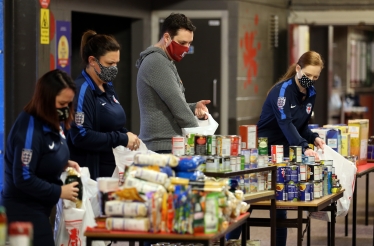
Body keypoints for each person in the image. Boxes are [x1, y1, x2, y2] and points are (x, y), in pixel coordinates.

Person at [0, 69, 81, 246]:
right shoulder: (29, 130)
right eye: (61, 104)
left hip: (41, 209)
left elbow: (45, 153)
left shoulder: (51, 121)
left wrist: (62, 162)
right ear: (45, 101)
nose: (66, 110)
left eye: (69, 104)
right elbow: (23, 177)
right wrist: (59, 192)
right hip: (22, 213)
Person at [257, 50, 326, 245]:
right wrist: (304, 146)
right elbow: (286, 123)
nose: (310, 80)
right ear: (298, 69)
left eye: (315, 77)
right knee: (248, 204)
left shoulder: (311, 93)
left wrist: (314, 137)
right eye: (307, 75)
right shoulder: (282, 91)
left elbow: (301, 125)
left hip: (288, 147)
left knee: (282, 203)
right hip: (266, 149)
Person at [67, 30, 140, 180]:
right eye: (109, 63)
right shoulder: (82, 90)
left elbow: (112, 125)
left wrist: (127, 135)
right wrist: (121, 138)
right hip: (92, 175)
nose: (114, 68)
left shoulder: (108, 86)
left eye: (116, 63)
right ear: (93, 61)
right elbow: (81, 136)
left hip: (113, 170)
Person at [136, 13, 210, 153]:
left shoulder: (165, 60)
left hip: (166, 145)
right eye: (182, 43)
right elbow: (177, 105)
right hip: (161, 148)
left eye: (189, 43)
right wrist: (201, 141)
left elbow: (168, 104)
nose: (186, 48)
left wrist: (194, 107)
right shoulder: (157, 62)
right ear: (167, 37)